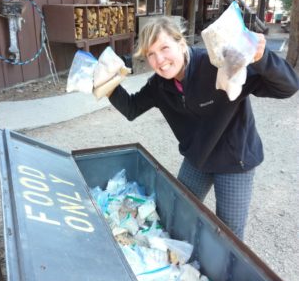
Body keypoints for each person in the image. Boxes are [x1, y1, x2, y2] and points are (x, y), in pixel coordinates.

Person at [107, 16, 299, 240]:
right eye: (151, 54)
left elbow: (287, 87)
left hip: (234, 159)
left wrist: (261, 57)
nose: (159, 60)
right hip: (198, 157)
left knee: (228, 235)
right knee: (178, 210)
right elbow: (131, 108)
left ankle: (225, 274)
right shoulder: (159, 85)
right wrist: (107, 84)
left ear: (181, 43)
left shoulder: (215, 62)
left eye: (164, 47)